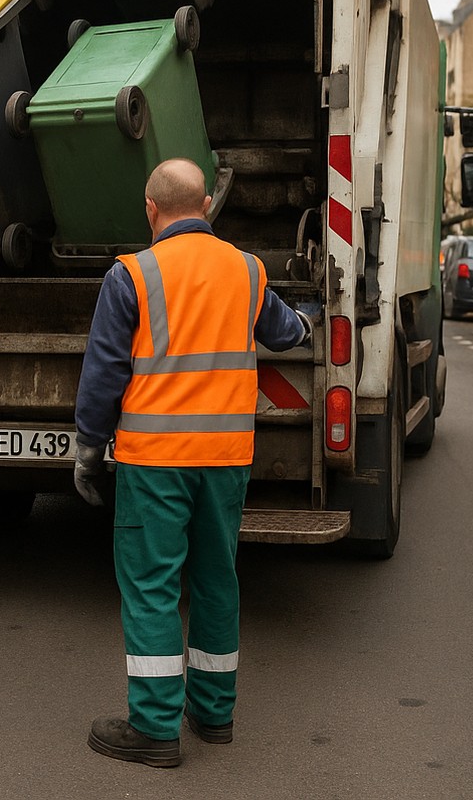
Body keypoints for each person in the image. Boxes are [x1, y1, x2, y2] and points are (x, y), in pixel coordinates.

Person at [73, 157, 311, 767]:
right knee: (215, 580)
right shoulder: (248, 271)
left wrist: (88, 451)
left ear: (150, 210)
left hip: (155, 461)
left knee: (152, 586)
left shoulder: (131, 275)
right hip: (227, 458)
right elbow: (286, 333)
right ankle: (213, 714)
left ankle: (154, 728)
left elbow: (103, 375)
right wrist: (310, 320)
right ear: (206, 207)